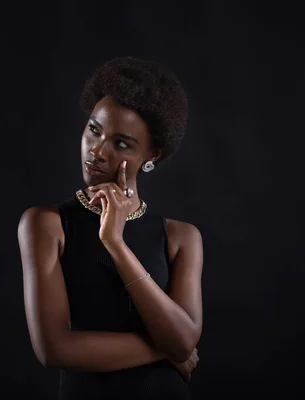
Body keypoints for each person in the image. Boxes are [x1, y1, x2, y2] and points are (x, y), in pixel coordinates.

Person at [17, 57, 203, 399]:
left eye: (121, 143)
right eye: (94, 129)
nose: (97, 151)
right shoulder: (47, 225)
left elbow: (185, 339)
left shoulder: (181, 238)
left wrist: (115, 244)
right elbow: (55, 349)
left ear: (153, 155)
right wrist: (166, 350)